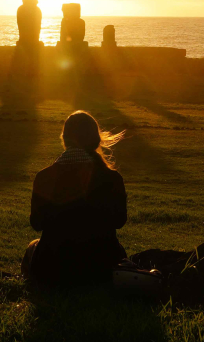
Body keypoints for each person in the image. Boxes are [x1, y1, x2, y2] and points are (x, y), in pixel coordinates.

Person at [23, 111, 127, 288]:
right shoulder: (112, 178)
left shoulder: (44, 177)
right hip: (102, 269)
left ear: (64, 139)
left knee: (33, 247)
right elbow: (119, 221)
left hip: (53, 270)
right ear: (96, 140)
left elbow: (37, 223)